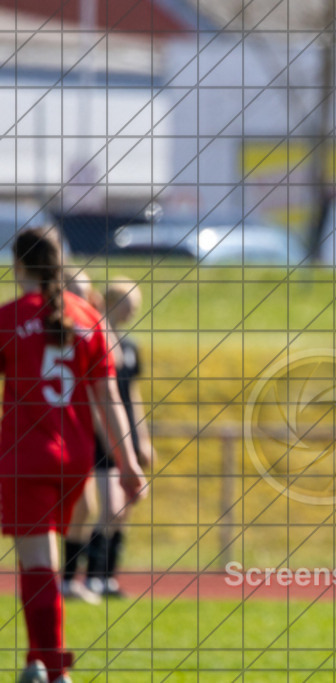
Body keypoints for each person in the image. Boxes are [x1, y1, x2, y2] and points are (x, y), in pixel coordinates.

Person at [0, 227, 145, 683]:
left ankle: (55, 670)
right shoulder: (89, 317)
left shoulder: (9, 318)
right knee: (40, 561)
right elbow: (110, 401)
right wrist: (130, 464)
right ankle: (35, 663)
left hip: (27, 455)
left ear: (18, 264)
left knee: (38, 564)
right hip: (75, 459)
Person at [84, 278, 156, 598]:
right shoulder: (94, 342)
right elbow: (94, 394)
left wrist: (141, 437)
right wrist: (111, 436)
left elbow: (133, 396)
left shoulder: (129, 347)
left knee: (124, 507)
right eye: (130, 304)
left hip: (124, 435)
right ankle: (90, 576)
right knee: (109, 506)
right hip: (103, 438)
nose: (134, 311)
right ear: (112, 303)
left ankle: (108, 576)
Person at [59, 270, 103, 606]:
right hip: (51, 433)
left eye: (84, 293)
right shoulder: (52, 330)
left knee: (85, 507)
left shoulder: (88, 331)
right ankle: (62, 581)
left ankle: (68, 579)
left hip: (76, 435)